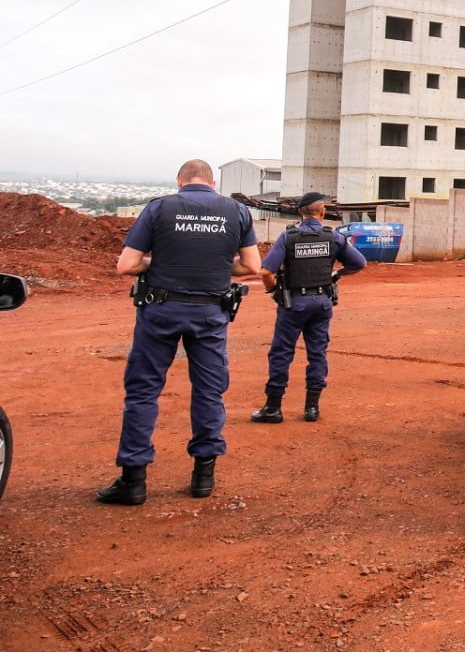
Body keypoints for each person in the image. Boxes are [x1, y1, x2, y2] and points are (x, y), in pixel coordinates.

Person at [99, 159, 261, 505]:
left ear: (180, 181)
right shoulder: (236, 211)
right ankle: (203, 477)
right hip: (209, 313)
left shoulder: (160, 208)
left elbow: (126, 265)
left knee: (143, 392)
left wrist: (159, 263)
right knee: (209, 391)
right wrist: (217, 265)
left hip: (160, 310)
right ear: (212, 183)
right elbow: (251, 266)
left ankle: (134, 480)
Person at [250, 193, 366, 425]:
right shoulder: (332, 237)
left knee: (281, 353)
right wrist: (337, 275)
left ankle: (273, 408)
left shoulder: (288, 237)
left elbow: (265, 273)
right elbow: (359, 263)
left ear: (300, 212)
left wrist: (273, 293)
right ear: (322, 213)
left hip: (294, 304)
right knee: (317, 353)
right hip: (322, 304)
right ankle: (312, 408)